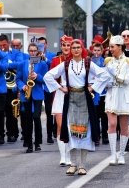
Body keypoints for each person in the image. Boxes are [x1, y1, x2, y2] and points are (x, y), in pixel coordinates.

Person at [44, 39, 110, 175]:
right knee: (71, 130)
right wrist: (61, 88)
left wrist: (92, 87)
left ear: (82, 49)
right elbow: (48, 76)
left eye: (78, 47)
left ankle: (82, 165)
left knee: (85, 131)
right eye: (73, 47)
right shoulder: (66, 64)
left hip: (85, 99)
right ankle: (73, 164)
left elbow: (104, 75)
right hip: (71, 99)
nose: (75, 49)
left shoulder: (88, 63)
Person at [104, 35, 129, 164]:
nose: (110, 49)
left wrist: (116, 75)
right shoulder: (108, 61)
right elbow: (105, 78)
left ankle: (122, 154)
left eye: (112, 47)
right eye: (110, 47)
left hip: (124, 95)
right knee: (112, 124)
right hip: (112, 94)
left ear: (120, 47)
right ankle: (113, 154)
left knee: (124, 126)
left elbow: (128, 80)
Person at [16, 43, 48, 152]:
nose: (33, 52)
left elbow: (45, 79)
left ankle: (37, 142)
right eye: (31, 51)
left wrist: (37, 76)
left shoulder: (42, 64)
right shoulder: (22, 63)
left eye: (35, 51)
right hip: (26, 93)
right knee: (28, 119)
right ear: (28, 51)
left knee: (36, 117)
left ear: (38, 52)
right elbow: (18, 79)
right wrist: (22, 86)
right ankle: (29, 144)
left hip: (38, 93)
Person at [50, 35, 73, 165]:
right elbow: (50, 77)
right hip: (59, 93)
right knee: (60, 126)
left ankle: (69, 155)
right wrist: (59, 86)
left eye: (68, 45)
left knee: (69, 126)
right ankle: (63, 156)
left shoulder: (75, 60)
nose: (66, 48)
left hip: (72, 95)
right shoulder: (55, 60)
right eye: (64, 45)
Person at [0, 35, 23, 142]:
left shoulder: (15, 53)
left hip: (11, 85)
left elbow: (20, 64)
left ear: (8, 43)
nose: (2, 47)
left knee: (10, 110)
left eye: (4, 45)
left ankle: (12, 133)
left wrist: (6, 63)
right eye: (0, 45)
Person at [37, 36, 56, 144]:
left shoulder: (52, 55)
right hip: (39, 86)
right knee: (38, 112)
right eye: (39, 44)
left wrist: (46, 60)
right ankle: (38, 136)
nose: (41, 46)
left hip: (48, 87)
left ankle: (50, 135)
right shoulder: (34, 56)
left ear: (46, 45)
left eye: (43, 44)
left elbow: (53, 68)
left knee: (49, 111)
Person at [91, 43, 109, 144]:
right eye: (95, 50)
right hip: (94, 92)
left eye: (98, 50)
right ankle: (97, 136)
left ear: (102, 51)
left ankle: (105, 136)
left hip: (104, 92)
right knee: (95, 115)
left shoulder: (105, 62)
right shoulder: (90, 62)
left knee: (104, 115)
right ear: (92, 51)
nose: (97, 52)